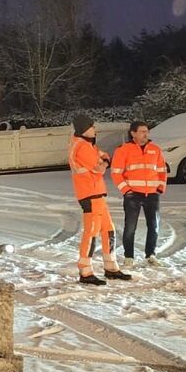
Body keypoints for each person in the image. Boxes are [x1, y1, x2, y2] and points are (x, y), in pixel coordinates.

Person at [69, 114, 132, 285]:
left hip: (96, 194)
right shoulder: (82, 147)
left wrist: (103, 161)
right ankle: (85, 271)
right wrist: (103, 163)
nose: (95, 129)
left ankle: (111, 268)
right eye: (92, 126)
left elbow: (104, 157)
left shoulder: (88, 145)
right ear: (84, 129)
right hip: (89, 194)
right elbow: (99, 167)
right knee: (92, 232)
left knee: (108, 230)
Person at [111, 121, 167, 267]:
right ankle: (129, 256)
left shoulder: (155, 149)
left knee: (153, 226)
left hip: (152, 194)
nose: (145, 134)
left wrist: (160, 188)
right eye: (142, 131)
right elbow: (116, 173)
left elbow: (162, 170)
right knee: (130, 227)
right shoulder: (123, 150)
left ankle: (151, 254)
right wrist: (126, 190)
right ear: (133, 133)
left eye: (147, 131)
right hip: (132, 195)